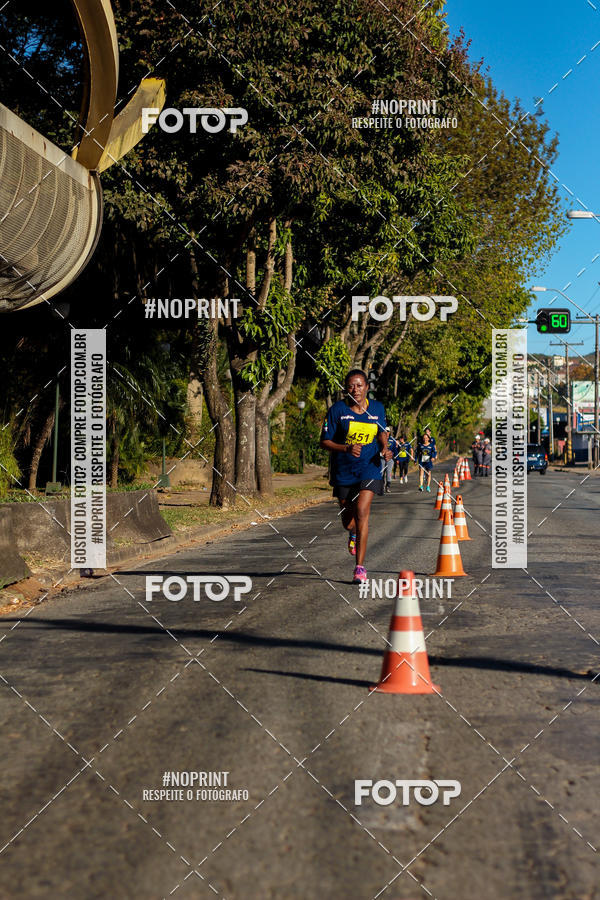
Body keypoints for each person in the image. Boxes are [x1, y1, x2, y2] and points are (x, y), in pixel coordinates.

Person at [320, 369, 392, 583]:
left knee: (362, 512)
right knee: (348, 521)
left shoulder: (377, 408)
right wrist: (346, 448)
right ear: (345, 388)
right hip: (343, 470)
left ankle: (360, 568)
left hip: (369, 468)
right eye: (351, 385)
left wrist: (385, 449)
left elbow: (382, 433)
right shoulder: (337, 410)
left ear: (367, 388)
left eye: (360, 385)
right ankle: (352, 533)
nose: (356, 389)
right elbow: (324, 442)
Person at [381, 427, 397, 492]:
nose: (386, 432)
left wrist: (396, 457)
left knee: (388, 472)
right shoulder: (381, 439)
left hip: (390, 459)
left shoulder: (392, 440)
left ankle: (388, 486)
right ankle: (381, 486)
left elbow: (395, 450)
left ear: (389, 432)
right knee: (381, 473)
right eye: (385, 431)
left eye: (387, 431)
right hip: (382, 458)